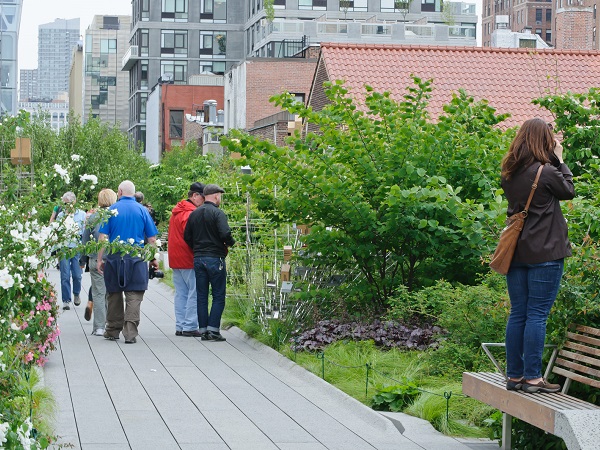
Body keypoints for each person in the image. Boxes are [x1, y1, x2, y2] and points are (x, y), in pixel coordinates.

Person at [501, 118, 575, 393]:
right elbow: (568, 190)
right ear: (544, 141)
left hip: (517, 252)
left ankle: (515, 376)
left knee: (518, 313)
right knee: (536, 315)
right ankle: (533, 377)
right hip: (545, 252)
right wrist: (560, 159)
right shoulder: (546, 172)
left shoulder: (509, 171)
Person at [97, 180, 159, 344]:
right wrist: (153, 258)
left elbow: (103, 237)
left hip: (114, 258)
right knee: (134, 296)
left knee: (114, 295)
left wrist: (99, 259)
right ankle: (130, 333)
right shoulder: (142, 210)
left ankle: (112, 330)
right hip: (137, 259)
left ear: (119, 192)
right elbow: (152, 238)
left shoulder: (111, 210)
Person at [184, 184, 235, 342]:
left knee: (202, 295)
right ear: (215, 196)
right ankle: (214, 330)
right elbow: (225, 233)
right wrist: (230, 243)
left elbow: (187, 236)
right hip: (215, 258)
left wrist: (196, 247)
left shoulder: (194, 213)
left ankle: (203, 330)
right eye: (220, 195)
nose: (220, 198)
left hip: (199, 258)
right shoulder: (218, 214)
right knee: (218, 294)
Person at [168, 182, 205, 337]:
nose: (204, 201)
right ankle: (190, 326)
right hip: (188, 257)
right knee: (194, 292)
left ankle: (180, 325)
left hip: (175, 258)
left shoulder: (177, 211)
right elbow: (192, 237)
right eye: (203, 197)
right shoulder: (190, 213)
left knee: (181, 293)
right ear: (195, 196)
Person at [81, 188, 118, 336]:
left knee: (98, 292)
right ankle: (111, 324)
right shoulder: (116, 216)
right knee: (111, 293)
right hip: (113, 258)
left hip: (96, 258)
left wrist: (83, 259)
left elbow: (85, 240)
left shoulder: (93, 217)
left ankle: (99, 327)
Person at [55, 191, 86, 311]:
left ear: (74, 202)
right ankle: (66, 300)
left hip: (77, 248)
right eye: (65, 203)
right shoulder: (61, 215)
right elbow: (57, 231)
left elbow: (84, 232)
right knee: (65, 274)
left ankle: (76, 293)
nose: (67, 206)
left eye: (69, 203)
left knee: (77, 275)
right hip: (64, 248)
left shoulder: (82, 215)